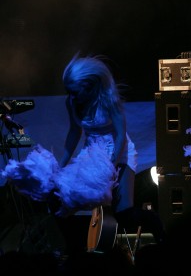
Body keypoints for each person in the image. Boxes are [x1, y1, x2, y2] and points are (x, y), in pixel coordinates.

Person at [59, 55, 166, 245]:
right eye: (69, 91)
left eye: (75, 91)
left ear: (89, 86)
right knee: (69, 203)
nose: (72, 96)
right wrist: (61, 165)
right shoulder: (72, 102)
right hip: (92, 153)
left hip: (119, 151)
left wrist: (110, 167)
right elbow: (74, 133)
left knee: (125, 213)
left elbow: (120, 135)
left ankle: (155, 224)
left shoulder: (109, 100)